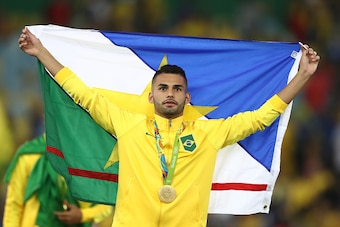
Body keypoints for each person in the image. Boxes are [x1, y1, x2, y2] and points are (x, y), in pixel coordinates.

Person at [18, 27, 320, 227]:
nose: (170, 93)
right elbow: (83, 94)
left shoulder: (208, 133)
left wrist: (303, 75)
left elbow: (260, 117)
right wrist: (42, 53)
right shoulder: (127, 124)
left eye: (177, 89)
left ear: (187, 98)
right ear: (152, 96)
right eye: (163, 88)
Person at [2, 133, 114, 227]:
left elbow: (105, 204)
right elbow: (14, 207)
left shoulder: (86, 159)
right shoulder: (29, 155)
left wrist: (82, 215)